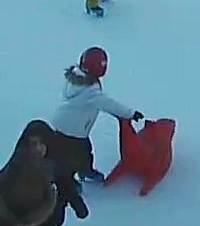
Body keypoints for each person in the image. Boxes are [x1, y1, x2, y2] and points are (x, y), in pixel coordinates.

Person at [49, 47, 143, 184]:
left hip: (63, 124)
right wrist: (130, 113)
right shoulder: (89, 92)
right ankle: (70, 181)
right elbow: (109, 104)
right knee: (74, 156)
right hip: (73, 131)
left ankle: (83, 171)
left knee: (81, 151)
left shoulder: (76, 78)